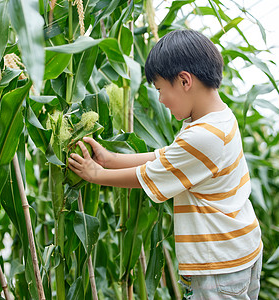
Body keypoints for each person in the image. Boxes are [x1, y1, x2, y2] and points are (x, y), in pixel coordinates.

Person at [68, 29, 263, 299]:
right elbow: (170, 157)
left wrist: (96, 174)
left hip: (219, 265)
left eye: (160, 89)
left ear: (184, 81)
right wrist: (111, 160)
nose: (160, 99)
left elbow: (149, 175)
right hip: (240, 247)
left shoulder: (204, 137)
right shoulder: (217, 119)